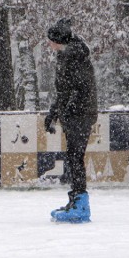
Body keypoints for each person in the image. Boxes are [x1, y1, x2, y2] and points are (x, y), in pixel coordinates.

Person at [44, 18, 97, 223]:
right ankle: (76, 198)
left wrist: (69, 110)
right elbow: (64, 91)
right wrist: (54, 113)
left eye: (50, 40)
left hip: (80, 115)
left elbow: (78, 89)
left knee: (75, 158)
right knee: (73, 157)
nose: (49, 44)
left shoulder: (74, 57)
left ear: (58, 40)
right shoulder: (66, 56)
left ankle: (81, 203)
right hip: (75, 115)